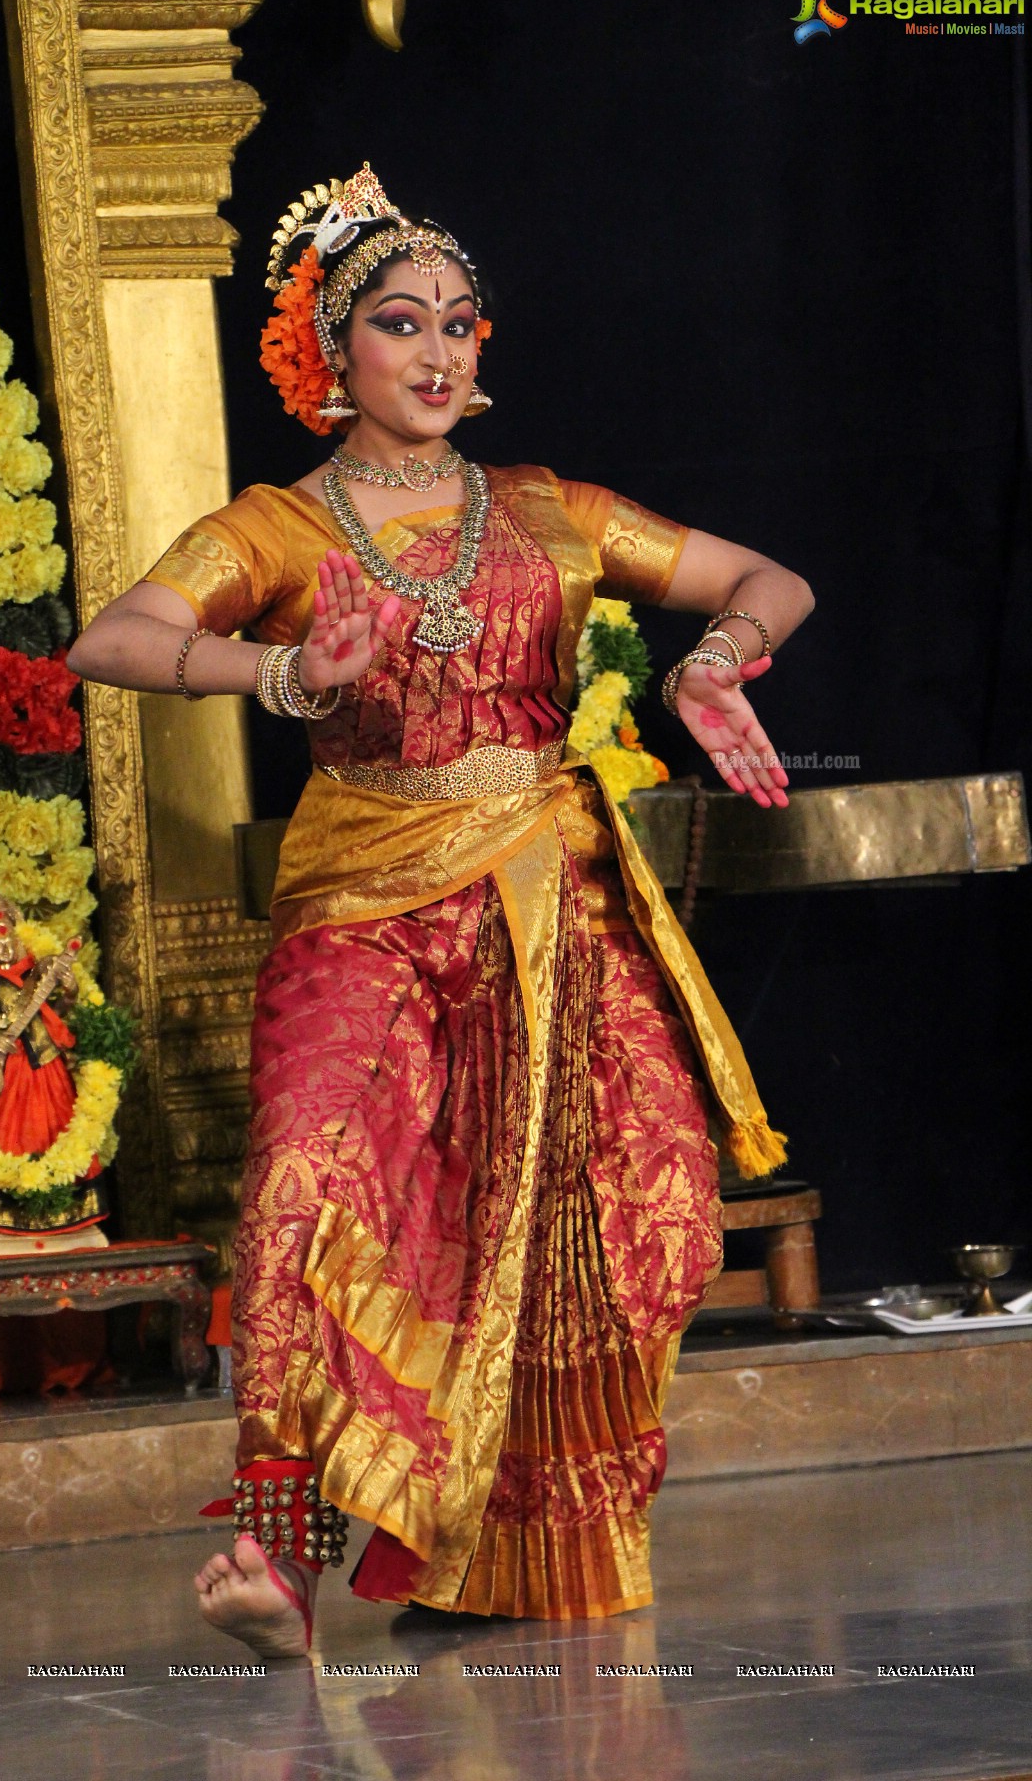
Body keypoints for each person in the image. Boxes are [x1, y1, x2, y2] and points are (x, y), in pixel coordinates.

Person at [67, 162, 814, 1658]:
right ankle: (279, 1550)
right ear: (330, 355)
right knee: (307, 1193)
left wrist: (714, 660)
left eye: (462, 325)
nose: (440, 351)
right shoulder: (278, 529)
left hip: (548, 896)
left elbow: (765, 577)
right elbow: (119, 635)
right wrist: (282, 676)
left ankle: (503, 1543)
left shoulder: (550, 509)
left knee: (624, 1218)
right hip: (363, 898)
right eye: (401, 323)